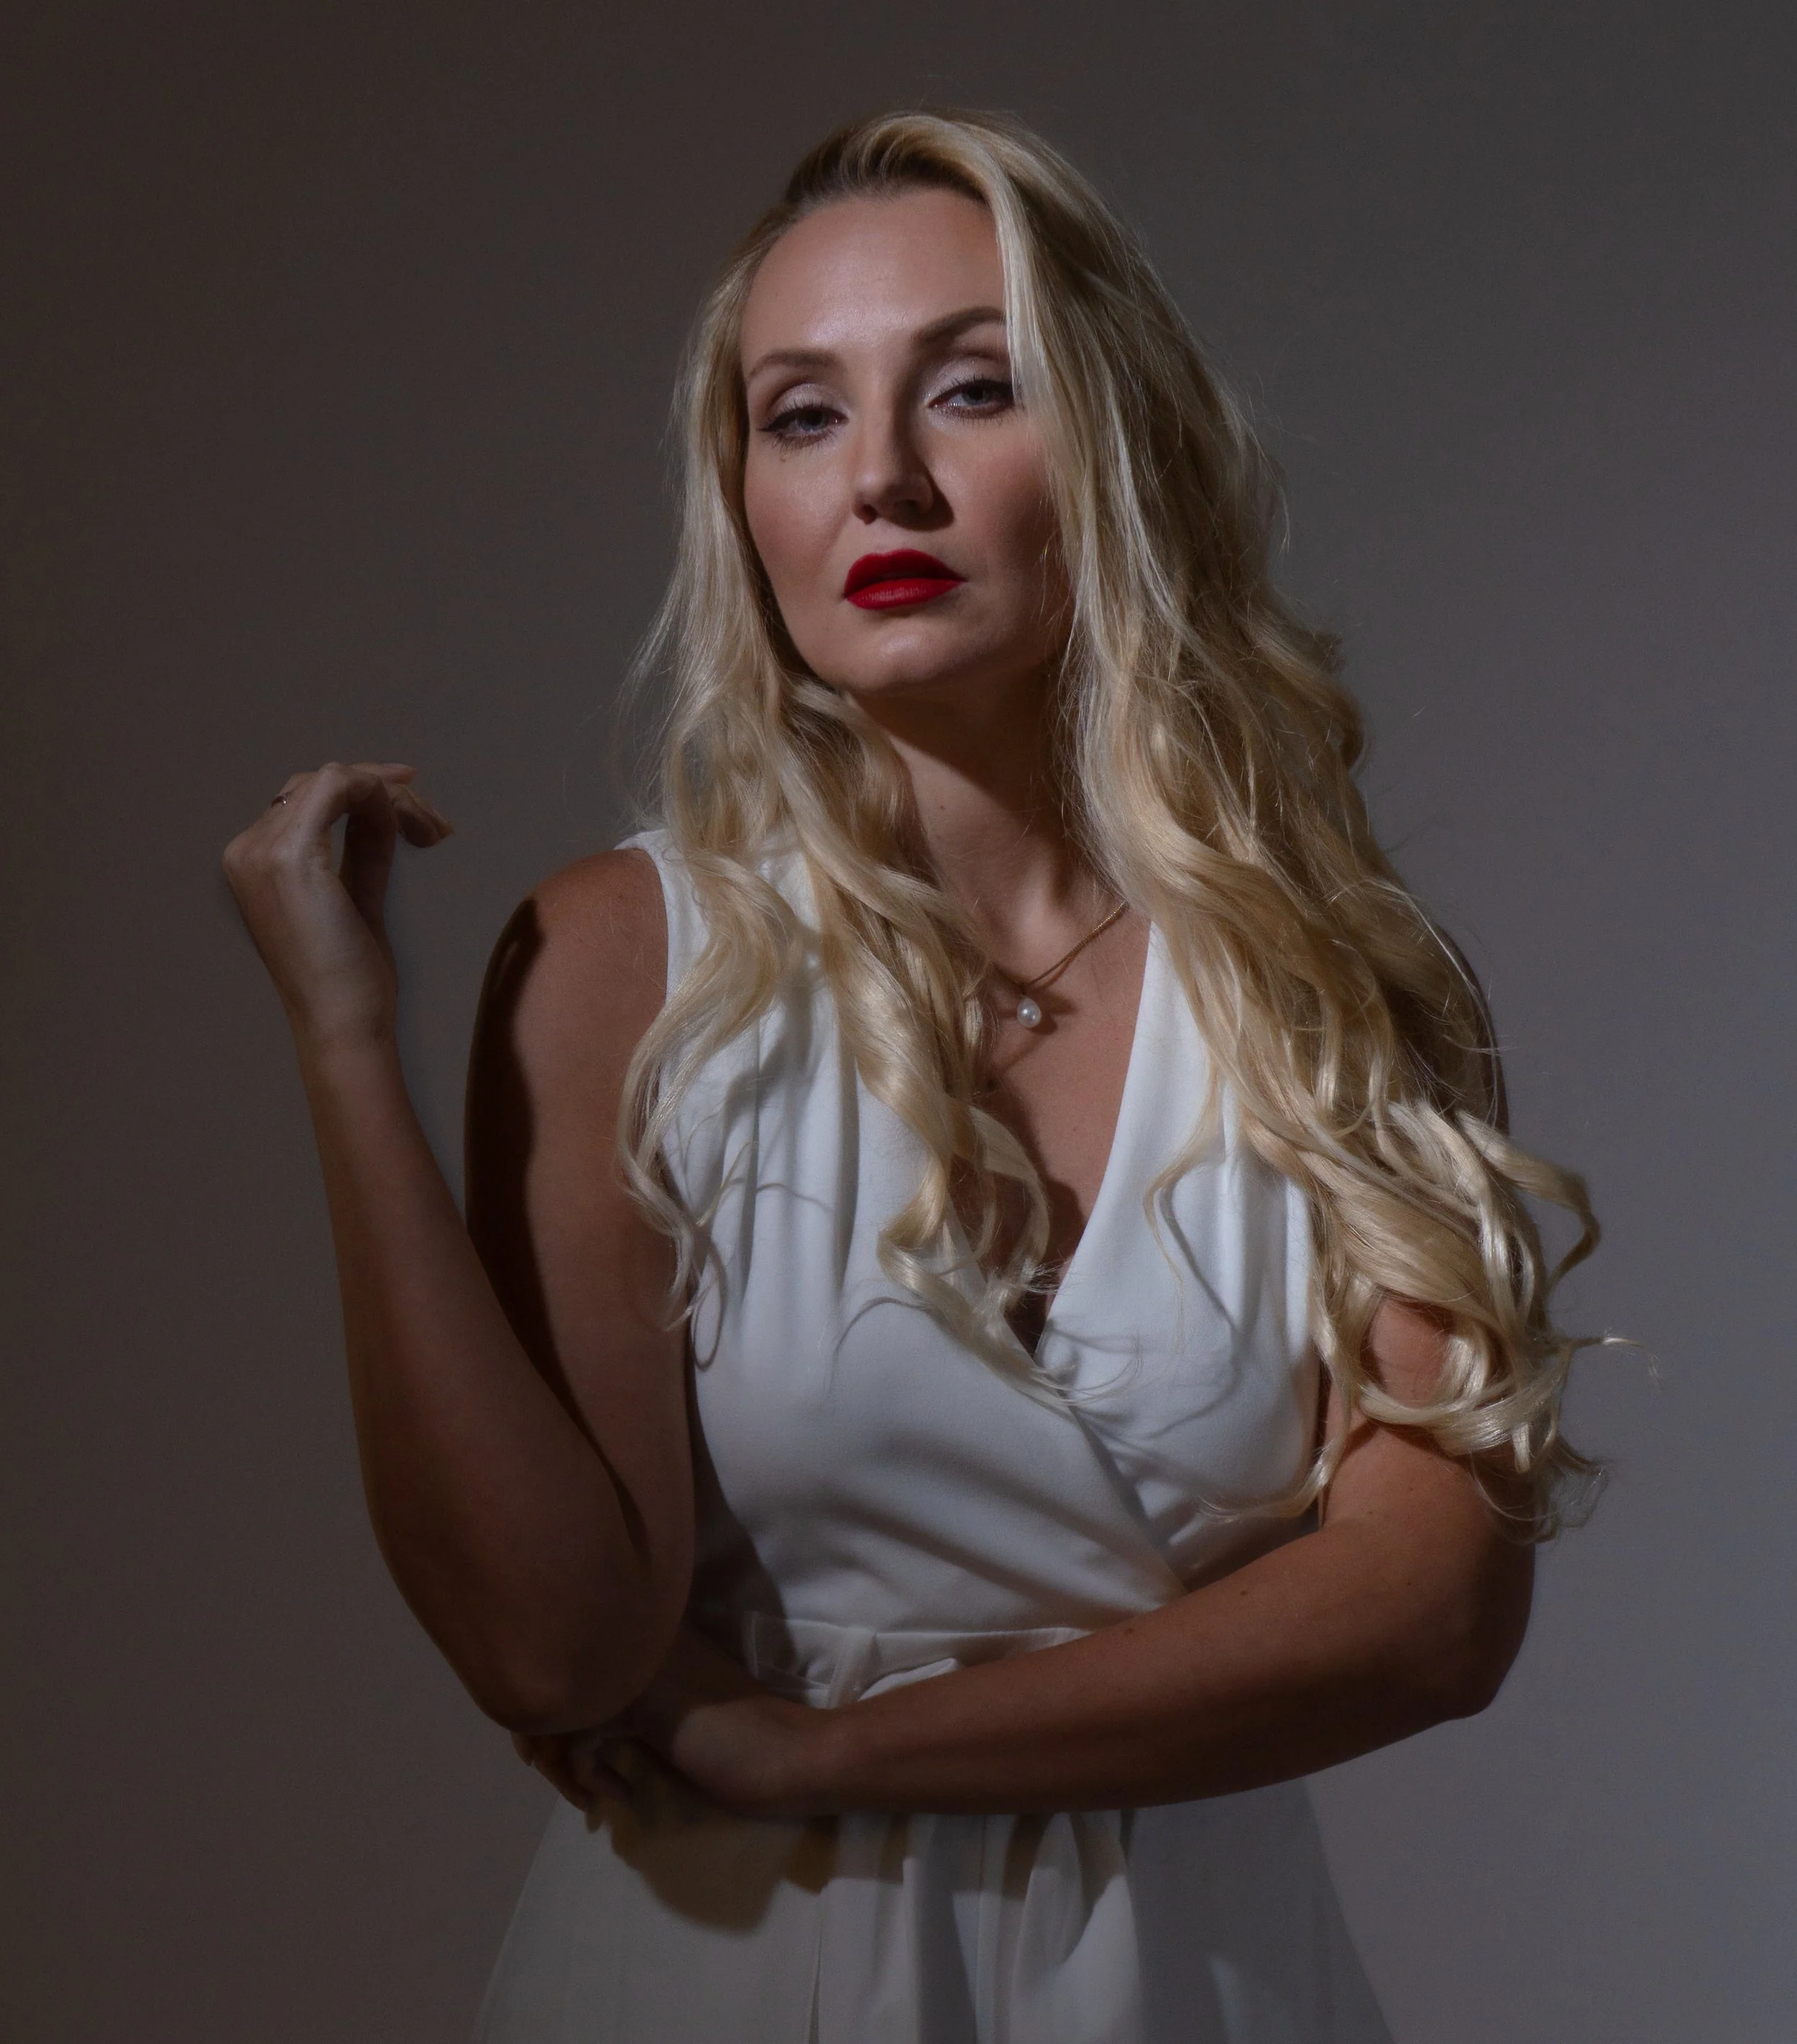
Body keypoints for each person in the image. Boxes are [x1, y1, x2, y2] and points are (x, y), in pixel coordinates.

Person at [223, 109, 1601, 2044]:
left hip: (1192, 1985)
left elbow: (1432, 1616)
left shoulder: (1346, 991)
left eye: (971, 388)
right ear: (744, 501)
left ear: (1114, 447)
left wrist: (823, 1754)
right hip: (719, 1985)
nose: (880, 477)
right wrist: (345, 1038)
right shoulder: (620, 961)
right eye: (800, 416)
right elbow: (555, 1644)